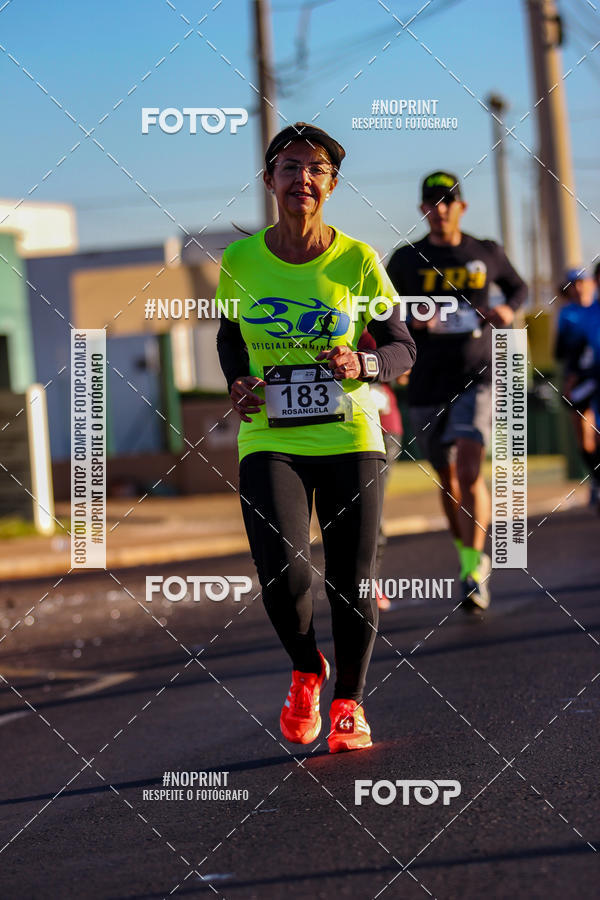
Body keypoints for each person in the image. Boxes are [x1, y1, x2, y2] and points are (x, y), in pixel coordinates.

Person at [216, 123, 416, 752]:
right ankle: (307, 668)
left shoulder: (358, 259)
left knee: (353, 577)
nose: (303, 178)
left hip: (349, 434)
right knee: (281, 572)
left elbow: (401, 347)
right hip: (269, 435)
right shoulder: (240, 260)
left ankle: (350, 704)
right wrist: (238, 378)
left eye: (316, 169)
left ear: (331, 183)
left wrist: (365, 365)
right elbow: (229, 335)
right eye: (290, 166)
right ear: (270, 178)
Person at [387, 171, 527, 611]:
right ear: (423, 210)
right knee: (447, 479)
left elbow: (519, 288)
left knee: (469, 467)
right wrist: (412, 323)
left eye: (448, 201)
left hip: (479, 374)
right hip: (428, 381)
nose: (441, 208)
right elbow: (382, 310)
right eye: (432, 202)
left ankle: (473, 569)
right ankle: (466, 556)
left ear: (461, 207)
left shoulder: (485, 252)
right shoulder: (407, 260)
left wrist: (506, 308)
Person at [357, 329, 404, 611]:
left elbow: (404, 362)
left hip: (382, 427)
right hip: (335, 428)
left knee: (370, 505)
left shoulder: (381, 320)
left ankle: (370, 581)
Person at [555, 268, 600, 508]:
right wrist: (570, 380)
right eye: (574, 284)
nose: (579, 287)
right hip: (580, 381)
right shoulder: (567, 314)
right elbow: (562, 352)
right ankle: (596, 478)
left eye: (583, 282)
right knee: (585, 439)